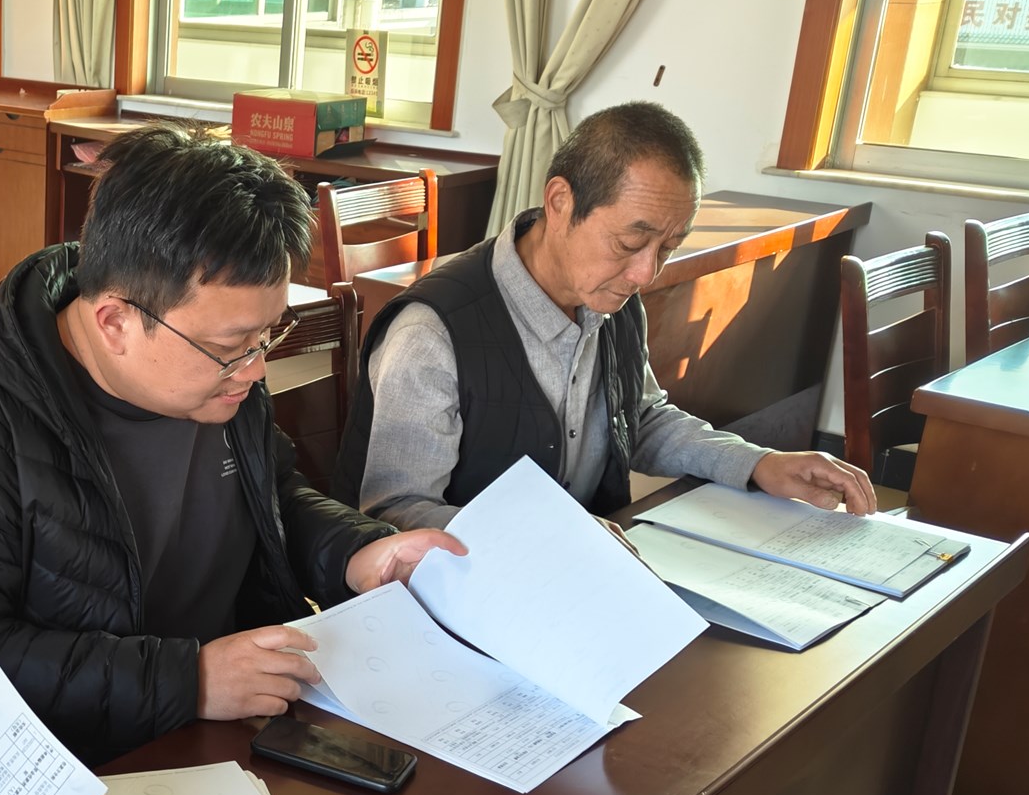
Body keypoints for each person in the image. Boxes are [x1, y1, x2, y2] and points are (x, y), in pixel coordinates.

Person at [0, 123, 462, 766]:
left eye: (265, 336)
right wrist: (189, 680)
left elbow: (270, 496)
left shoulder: (216, 374)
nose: (256, 369)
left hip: (241, 727)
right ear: (115, 323)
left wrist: (358, 553)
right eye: (230, 347)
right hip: (91, 763)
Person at [333, 102, 875, 530]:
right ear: (560, 203)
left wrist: (757, 463)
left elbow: (638, 418)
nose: (645, 273)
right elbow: (395, 511)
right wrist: (555, 538)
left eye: (667, 248)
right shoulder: (432, 333)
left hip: (585, 574)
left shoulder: (611, 298)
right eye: (630, 242)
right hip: (467, 598)